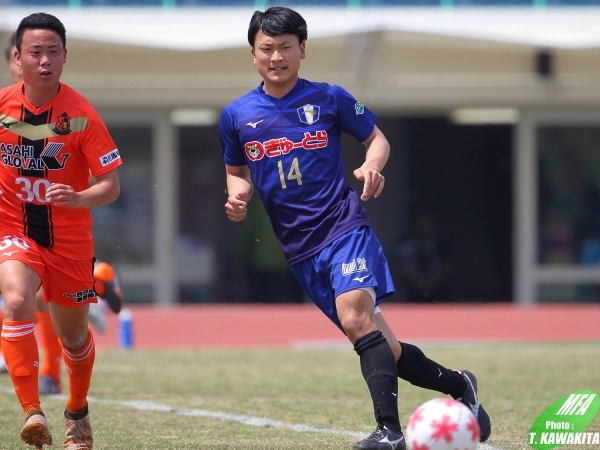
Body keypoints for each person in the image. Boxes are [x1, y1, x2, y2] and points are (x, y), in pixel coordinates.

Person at [219, 7, 490, 449]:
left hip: (343, 228)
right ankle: (461, 386)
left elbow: (377, 139)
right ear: (253, 54)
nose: (276, 56)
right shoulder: (236, 115)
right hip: (300, 250)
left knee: (355, 319)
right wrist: (238, 195)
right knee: (384, 346)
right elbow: (236, 172)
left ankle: (389, 432)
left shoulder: (329, 98)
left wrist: (371, 165)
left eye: (286, 47)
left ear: (302, 50)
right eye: (266, 48)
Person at [0, 13, 122, 450]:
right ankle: (32, 411)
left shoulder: (82, 115)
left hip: (70, 243)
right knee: (17, 301)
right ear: (18, 57)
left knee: (74, 337)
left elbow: (110, 185)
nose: (45, 60)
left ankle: (76, 410)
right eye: (35, 52)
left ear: (65, 56)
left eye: (53, 52)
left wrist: (80, 197)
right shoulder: (1, 108)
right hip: (15, 230)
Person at [391, 205, 457, 302]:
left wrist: (433, 282)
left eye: (428, 224)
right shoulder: (404, 245)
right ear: (414, 224)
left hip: (441, 298)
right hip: (410, 298)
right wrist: (417, 281)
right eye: (421, 224)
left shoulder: (442, 245)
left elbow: (449, 267)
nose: (425, 228)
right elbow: (398, 268)